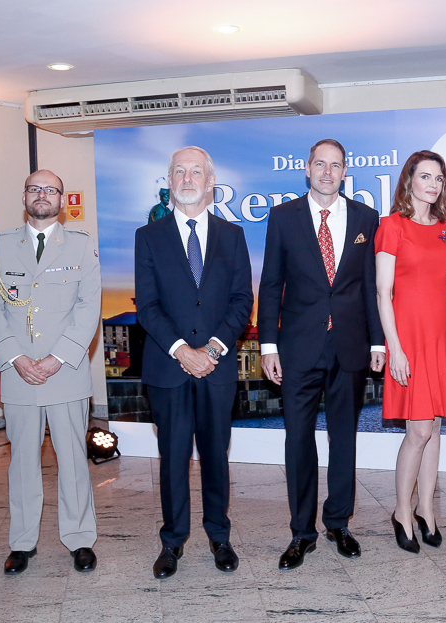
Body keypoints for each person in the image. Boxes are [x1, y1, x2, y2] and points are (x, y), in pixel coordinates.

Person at [258, 138, 385, 570]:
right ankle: (302, 532)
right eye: (320, 164)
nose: (327, 172)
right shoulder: (283, 217)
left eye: (336, 165)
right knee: (298, 440)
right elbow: (270, 284)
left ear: (345, 172)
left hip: (349, 347)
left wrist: (377, 341)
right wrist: (269, 345)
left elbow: (370, 286)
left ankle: (338, 524)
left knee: (344, 438)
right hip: (297, 348)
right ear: (307, 169)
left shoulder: (366, 218)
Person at [135, 147, 253, 579]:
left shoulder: (233, 235)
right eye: (179, 171)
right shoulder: (148, 236)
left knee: (216, 457)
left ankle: (219, 537)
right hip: (168, 369)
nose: (188, 179)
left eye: (196, 171)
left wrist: (213, 350)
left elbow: (242, 300)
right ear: (169, 180)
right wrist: (183, 351)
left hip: (217, 369)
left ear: (210, 181)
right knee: (172, 459)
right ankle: (172, 542)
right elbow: (147, 305)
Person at [0, 169, 101, 574]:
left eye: (51, 190)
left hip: (64, 371)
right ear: (24, 197)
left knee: (73, 460)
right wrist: (14, 357)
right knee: (22, 462)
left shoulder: (81, 246)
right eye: (35, 189)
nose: (42, 195)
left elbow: (88, 308)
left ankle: (80, 539)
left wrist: (56, 358)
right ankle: (22, 542)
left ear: (62, 200)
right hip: (19, 373)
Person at [375, 151, 446, 553]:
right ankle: (401, 511)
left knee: (436, 427)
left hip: (443, 336)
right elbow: (383, 293)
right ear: (409, 180)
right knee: (418, 430)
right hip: (409, 338)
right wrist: (394, 348)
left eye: (439, 178)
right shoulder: (391, 226)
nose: (433, 184)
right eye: (425, 176)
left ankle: (426, 510)